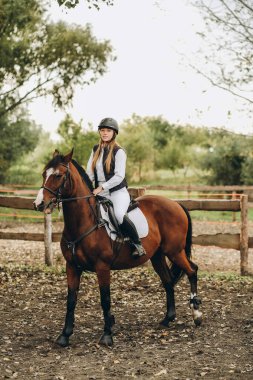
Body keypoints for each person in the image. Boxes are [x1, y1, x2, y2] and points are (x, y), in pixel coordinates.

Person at [86, 117, 146, 258]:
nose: (105, 133)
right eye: (102, 130)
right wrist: (88, 187)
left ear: (114, 133)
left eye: (108, 130)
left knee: (119, 215)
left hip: (117, 192)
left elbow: (119, 176)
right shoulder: (95, 149)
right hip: (99, 193)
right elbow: (89, 173)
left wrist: (102, 187)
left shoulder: (119, 152)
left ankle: (137, 244)